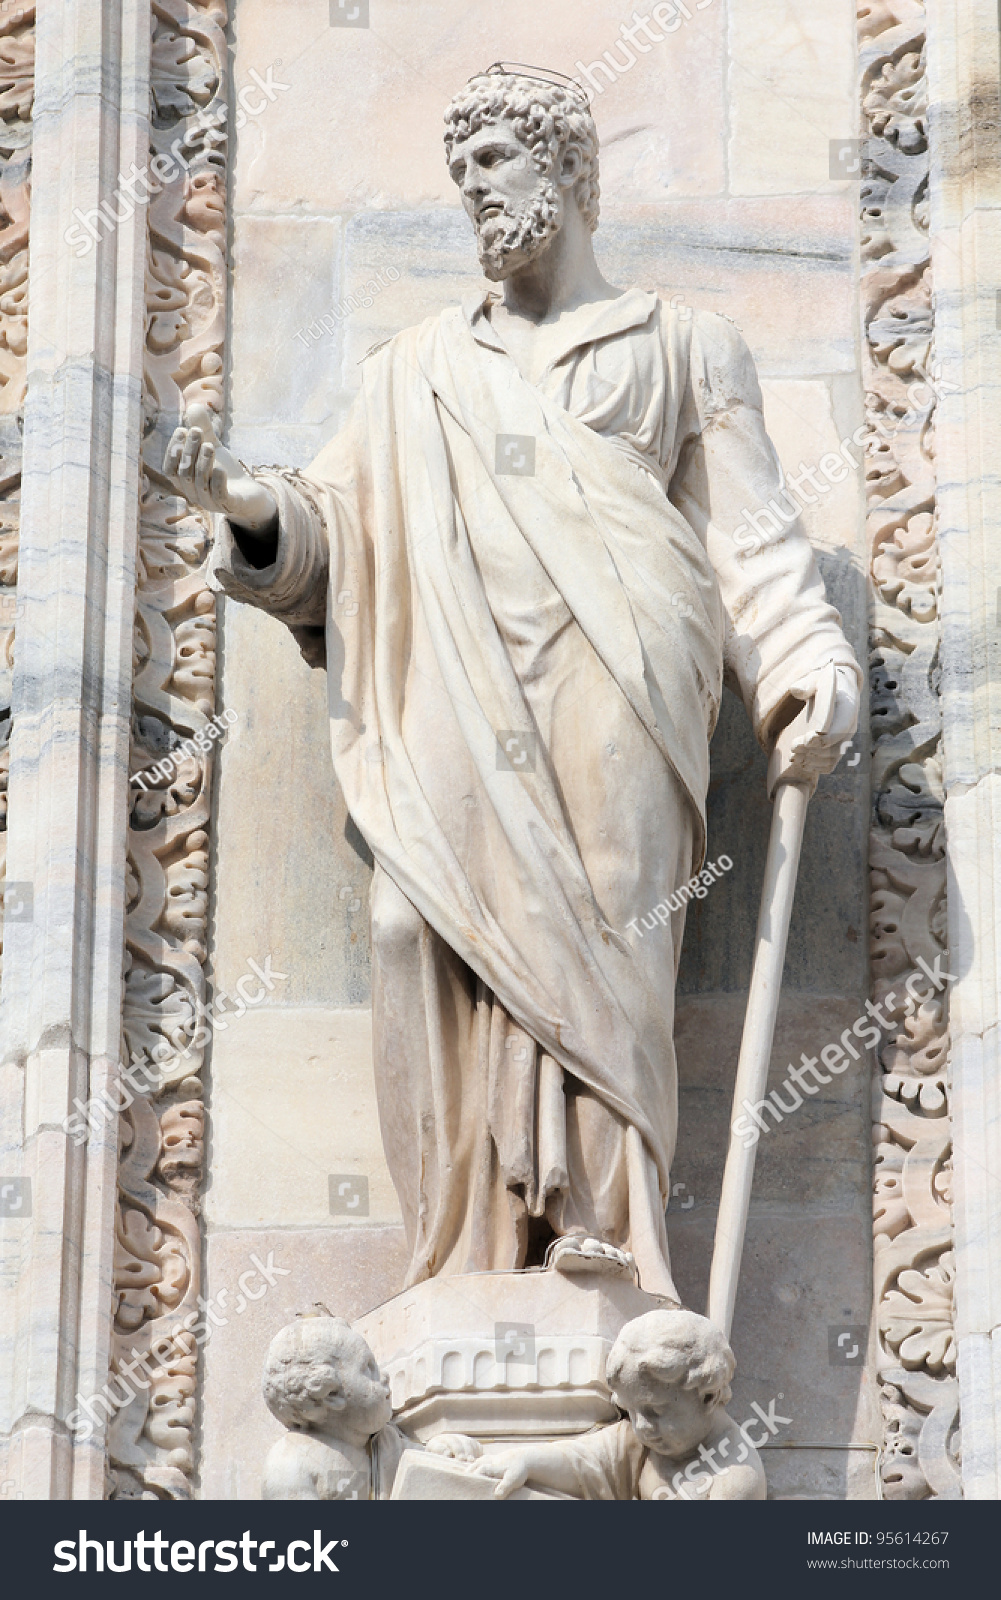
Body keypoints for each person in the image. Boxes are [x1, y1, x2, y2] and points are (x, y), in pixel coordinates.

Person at [164, 67, 860, 1302]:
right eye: (462, 166)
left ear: (568, 168)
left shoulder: (686, 347)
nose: (474, 186)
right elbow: (333, 526)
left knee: (611, 937)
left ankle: (606, 1237)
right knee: (405, 927)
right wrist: (245, 504)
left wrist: (804, 664)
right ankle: (457, 1250)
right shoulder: (414, 370)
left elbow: (750, 540)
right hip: (450, 698)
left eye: (495, 157)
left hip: (619, 694)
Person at [471, 1308, 765, 1500]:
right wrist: (525, 1462)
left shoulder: (733, 1482)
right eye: (630, 1411)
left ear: (709, 1397)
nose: (641, 1426)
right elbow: (583, 1461)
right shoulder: (643, 1442)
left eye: (654, 1411)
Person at [261, 1310, 478, 1499]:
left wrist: (441, 1448)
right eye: (368, 1369)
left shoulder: (385, 1442)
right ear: (332, 1395)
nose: (384, 1376)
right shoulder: (290, 1463)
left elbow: (421, 1465)